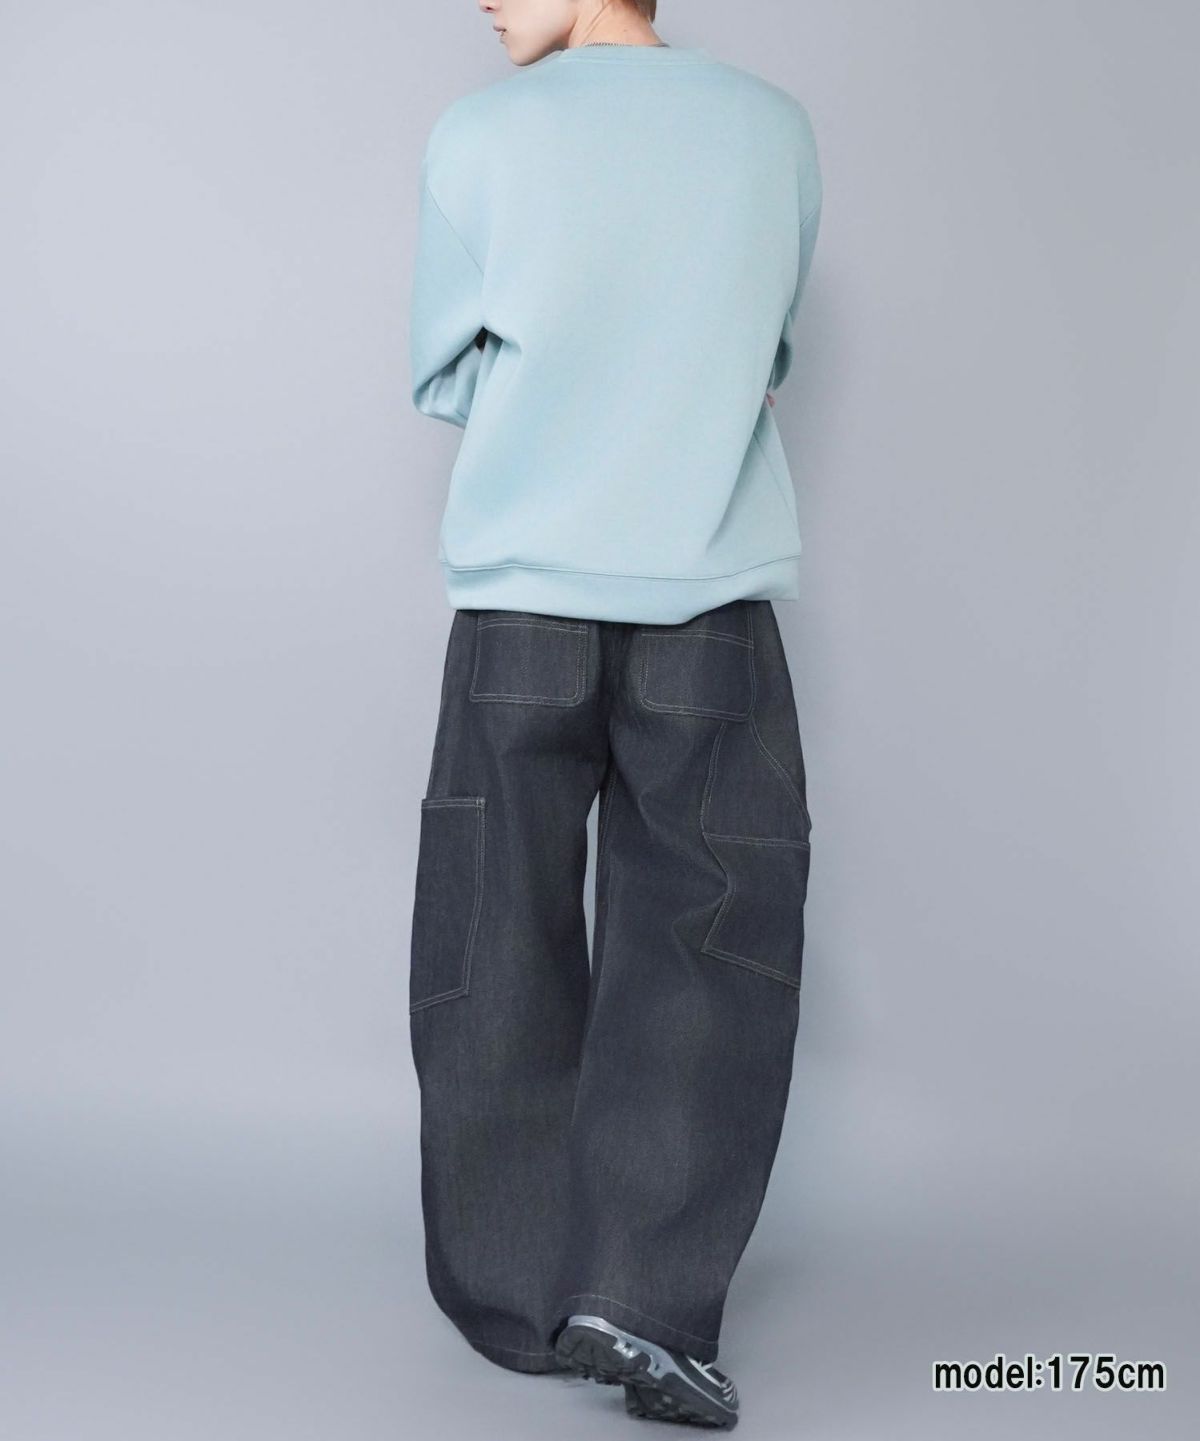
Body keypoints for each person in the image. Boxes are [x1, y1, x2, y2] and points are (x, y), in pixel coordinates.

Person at [407, 0, 822, 1428]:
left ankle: (517, 1294)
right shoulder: (775, 132)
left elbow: (444, 371)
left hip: (523, 599)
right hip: (709, 595)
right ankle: (637, 1298)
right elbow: (764, 356)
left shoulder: (479, 136)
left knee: (494, 933)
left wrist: (568, 394)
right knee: (712, 939)